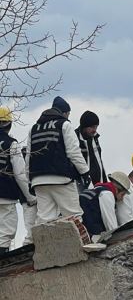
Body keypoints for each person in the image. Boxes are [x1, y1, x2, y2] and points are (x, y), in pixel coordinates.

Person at [26, 96, 90, 224]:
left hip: (38, 181)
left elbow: (28, 157)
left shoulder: (33, 129)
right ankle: (77, 244)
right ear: (64, 112)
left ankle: (43, 244)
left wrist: (29, 179)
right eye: (68, 114)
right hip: (61, 178)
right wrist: (85, 172)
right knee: (74, 217)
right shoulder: (64, 125)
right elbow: (73, 152)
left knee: (44, 220)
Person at [0, 107, 36, 254]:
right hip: (6, 195)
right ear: (9, 124)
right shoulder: (11, 144)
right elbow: (20, 174)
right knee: (5, 232)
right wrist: (30, 196)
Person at [80, 171, 130, 237]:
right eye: (122, 194)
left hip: (82, 228)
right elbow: (111, 226)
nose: (122, 199)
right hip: (90, 234)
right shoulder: (107, 194)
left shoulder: (97, 189)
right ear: (117, 189)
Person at [75, 110, 107, 186]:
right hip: (82, 185)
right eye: (92, 127)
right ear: (84, 126)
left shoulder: (94, 138)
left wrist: (105, 182)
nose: (95, 130)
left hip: (98, 184)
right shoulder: (74, 138)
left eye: (96, 127)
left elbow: (99, 162)